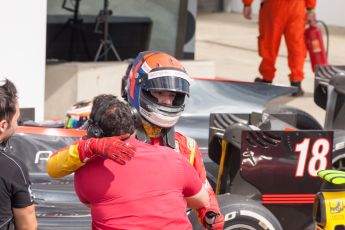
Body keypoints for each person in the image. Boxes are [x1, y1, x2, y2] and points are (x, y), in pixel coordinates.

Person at [46, 51, 224, 229]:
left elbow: (204, 193)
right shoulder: (110, 134)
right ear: (138, 89)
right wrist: (89, 146)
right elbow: (53, 167)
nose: (168, 102)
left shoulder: (186, 146)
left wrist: (210, 214)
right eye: (160, 92)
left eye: (172, 95)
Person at [74, 94, 210, 229]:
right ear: (135, 122)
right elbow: (203, 200)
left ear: (95, 132)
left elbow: (92, 203)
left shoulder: (85, 171)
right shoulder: (174, 158)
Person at [242, 0, 317, 96]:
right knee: (296, 46)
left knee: (269, 44)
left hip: (273, 7)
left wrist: (247, 4)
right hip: (296, 7)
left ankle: (267, 79)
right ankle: (296, 83)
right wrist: (310, 8)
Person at [0, 78, 37, 229]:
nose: (17, 125)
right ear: (3, 125)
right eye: (17, 119)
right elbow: (27, 226)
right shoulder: (12, 168)